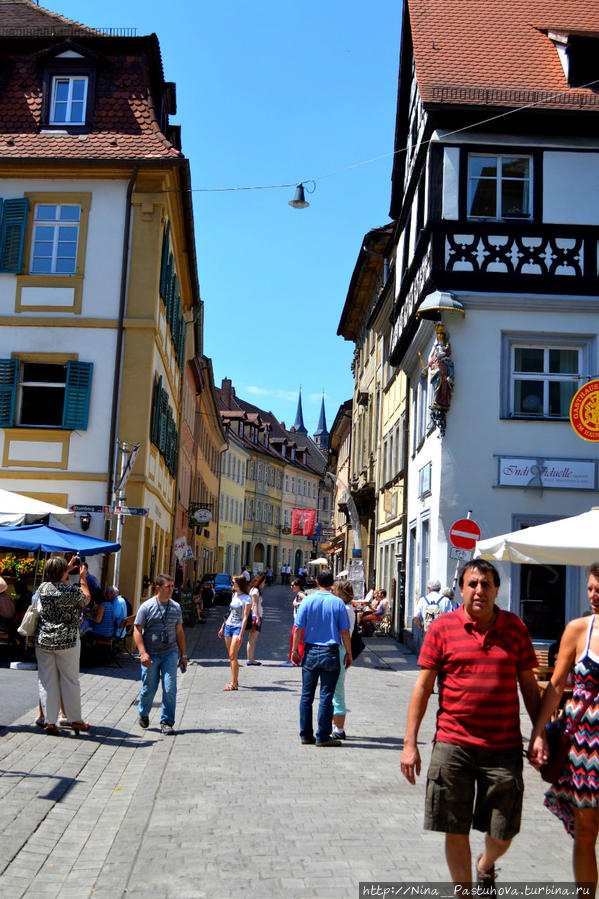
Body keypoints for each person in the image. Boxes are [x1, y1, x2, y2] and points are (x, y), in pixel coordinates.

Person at [400, 560, 540, 887]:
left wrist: (538, 733)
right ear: (461, 589)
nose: (480, 591)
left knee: (504, 832)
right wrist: (410, 744)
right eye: (473, 584)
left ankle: (486, 863)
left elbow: (530, 687)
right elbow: (422, 687)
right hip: (453, 744)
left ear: (496, 590)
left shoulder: (514, 628)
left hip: (503, 747)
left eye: (486, 584)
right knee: (454, 827)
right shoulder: (443, 628)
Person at [529, 562, 599, 891]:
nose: (594, 596)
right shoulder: (578, 629)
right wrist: (539, 733)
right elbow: (556, 686)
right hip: (584, 748)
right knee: (585, 831)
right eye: (590, 589)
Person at [291, 568, 352, 747]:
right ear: (332, 583)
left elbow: (298, 628)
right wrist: (348, 653)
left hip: (310, 652)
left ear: (317, 583)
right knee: (326, 696)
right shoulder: (338, 603)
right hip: (331, 652)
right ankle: (323, 736)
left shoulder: (307, 601)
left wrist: (295, 651)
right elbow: (345, 632)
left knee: (306, 695)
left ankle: (305, 735)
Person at [35, 556, 92, 735]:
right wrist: (82, 578)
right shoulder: (71, 590)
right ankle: (75, 719)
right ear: (62, 573)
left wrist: (64, 568)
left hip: (44, 640)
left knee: (47, 681)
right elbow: (86, 599)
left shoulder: (43, 588)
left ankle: (50, 722)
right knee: (70, 681)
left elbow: (53, 580)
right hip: (67, 641)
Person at [134, 573, 187, 735]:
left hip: (170, 653)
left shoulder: (176, 608)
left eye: (173, 586)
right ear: (158, 588)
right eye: (168, 586)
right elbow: (137, 630)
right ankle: (143, 713)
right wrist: (142, 653)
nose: (171, 589)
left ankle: (167, 722)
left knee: (170, 688)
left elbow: (179, 632)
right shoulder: (147, 607)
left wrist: (183, 655)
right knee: (149, 689)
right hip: (151, 654)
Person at [331, 578, 356, 741]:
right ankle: (335, 726)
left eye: (334, 590)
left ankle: (339, 728)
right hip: (341, 651)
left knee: (337, 691)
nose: (332, 592)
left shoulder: (344, 610)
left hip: (339, 650)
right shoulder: (348, 609)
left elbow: (343, 632)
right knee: (334, 690)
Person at [217, 574, 251, 691]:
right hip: (228, 626)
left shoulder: (247, 598)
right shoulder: (234, 595)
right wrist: (222, 627)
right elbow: (230, 612)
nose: (231, 584)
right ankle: (234, 680)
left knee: (232, 655)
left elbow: (245, 617)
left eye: (233, 582)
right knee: (231, 657)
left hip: (237, 628)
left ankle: (234, 684)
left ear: (239, 584)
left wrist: (241, 633)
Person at [413, 578, 453, 648]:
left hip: (428, 631)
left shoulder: (423, 600)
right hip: (442, 632)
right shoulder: (446, 600)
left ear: (429, 589)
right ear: (439, 588)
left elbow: (415, 617)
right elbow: (450, 618)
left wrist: (421, 627)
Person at [246, 572, 265, 665]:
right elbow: (254, 605)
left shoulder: (253, 590)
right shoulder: (255, 591)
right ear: (260, 582)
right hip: (255, 616)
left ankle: (250, 658)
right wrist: (257, 617)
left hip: (254, 615)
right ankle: (251, 659)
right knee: (253, 638)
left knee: (251, 638)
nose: (264, 584)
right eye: (263, 582)